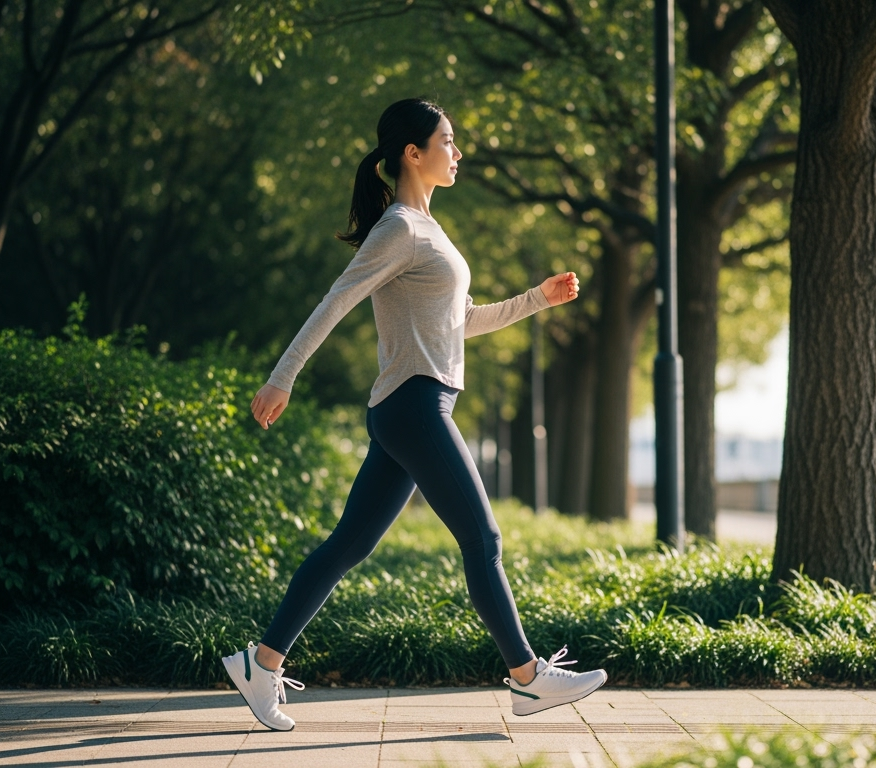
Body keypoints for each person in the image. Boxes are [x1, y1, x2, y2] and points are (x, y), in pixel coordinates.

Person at [221, 97, 606, 731]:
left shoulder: (428, 229)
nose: (458, 152)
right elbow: (335, 301)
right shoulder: (399, 228)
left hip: (411, 406)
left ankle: (260, 665)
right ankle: (529, 678)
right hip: (414, 405)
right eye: (448, 141)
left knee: (348, 545)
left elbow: (461, 323)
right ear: (413, 152)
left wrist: (537, 299)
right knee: (483, 540)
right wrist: (281, 377)